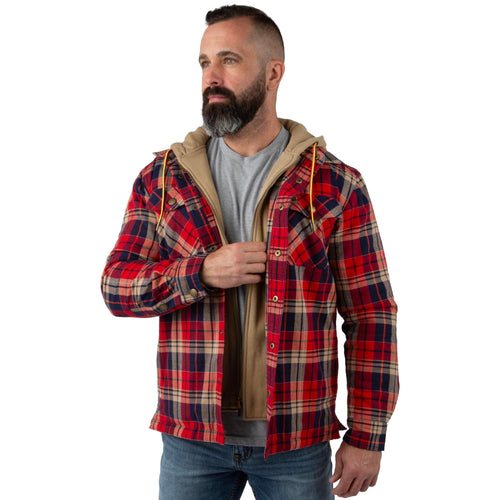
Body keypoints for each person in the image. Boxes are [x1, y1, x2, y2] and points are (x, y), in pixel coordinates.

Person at [101, 5, 399, 499]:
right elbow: (116, 287)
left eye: (229, 60)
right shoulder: (164, 179)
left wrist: (368, 436)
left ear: (273, 72)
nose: (211, 77)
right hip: (191, 437)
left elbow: (371, 315)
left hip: (296, 440)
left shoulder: (333, 183)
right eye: (204, 63)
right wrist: (200, 273)